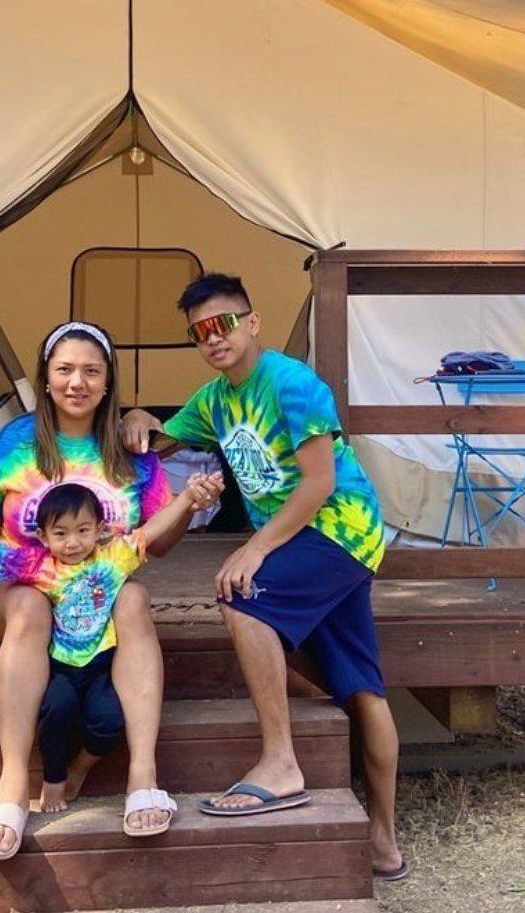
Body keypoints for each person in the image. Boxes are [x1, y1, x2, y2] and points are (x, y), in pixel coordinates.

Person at [120, 274, 407, 883]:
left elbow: (319, 483)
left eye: (223, 323)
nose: (213, 338)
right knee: (361, 685)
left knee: (241, 594)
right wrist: (141, 419)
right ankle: (383, 841)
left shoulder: (292, 383)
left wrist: (253, 549)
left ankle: (280, 763)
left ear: (252, 322)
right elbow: (161, 443)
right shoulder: (215, 399)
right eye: (200, 331)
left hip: (339, 531)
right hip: (310, 543)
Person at [0, 321, 187, 858]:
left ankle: (143, 776)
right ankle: (13, 783)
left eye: (91, 371)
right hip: (19, 591)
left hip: (99, 598)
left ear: (109, 382)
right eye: (64, 370)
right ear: (45, 378)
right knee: (30, 604)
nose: (76, 382)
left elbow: (159, 545)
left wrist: (187, 501)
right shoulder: (14, 442)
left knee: (134, 596)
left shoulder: (132, 449)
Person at [0, 474, 221, 845]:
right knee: (56, 709)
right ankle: (51, 777)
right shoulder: (39, 565)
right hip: (61, 666)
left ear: (100, 530)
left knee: (109, 718)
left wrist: (187, 499)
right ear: (43, 537)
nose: (72, 542)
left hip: (101, 664)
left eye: (82, 530)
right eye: (61, 533)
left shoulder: (114, 557)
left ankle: (83, 770)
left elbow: (150, 530)